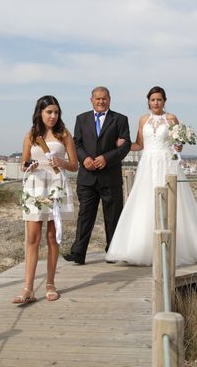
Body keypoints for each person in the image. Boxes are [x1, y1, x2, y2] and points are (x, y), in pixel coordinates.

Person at [106, 86, 197, 266]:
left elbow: (179, 145)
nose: (156, 103)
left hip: (167, 162)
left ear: (164, 101)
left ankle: (174, 247)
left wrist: (179, 144)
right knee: (144, 202)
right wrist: (121, 145)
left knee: (171, 202)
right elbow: (139, 144)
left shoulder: (171, 118)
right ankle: (141, 248)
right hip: (147, 163)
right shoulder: (143, 119)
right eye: (153, 100)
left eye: (159, 99)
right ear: (148, 102)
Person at [13, 95, 77, 303]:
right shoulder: (31, 135)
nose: (53, 116)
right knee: (32, 237)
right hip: (35, 187)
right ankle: (28, 288)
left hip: (55, 187)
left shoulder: (64, 134)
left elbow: (75, 165)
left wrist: (61, 161)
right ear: (40, 113)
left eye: (56, 112)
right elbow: (23, 163)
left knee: (52, 237)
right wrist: (28, 166)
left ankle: (50, 283)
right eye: (49, 112)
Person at [63, 86, 132, 265]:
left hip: (110, 177)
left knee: (113, 216)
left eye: (104, 98)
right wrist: (84, 158)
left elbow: (125, 146)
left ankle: (113, 251)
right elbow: (76, 142)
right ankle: (78, 252)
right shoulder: (81, 119)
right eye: (97, 98)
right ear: (91, 100)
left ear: (110, 99)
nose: (101, 101)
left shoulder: (120, 119)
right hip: (87, 177)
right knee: (85, 215)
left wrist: (106, 158)